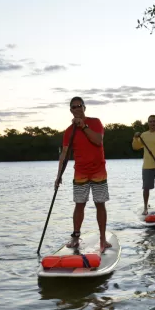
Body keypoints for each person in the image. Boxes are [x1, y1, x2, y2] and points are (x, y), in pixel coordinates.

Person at [54, 96, 111, 253]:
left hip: (98, 170)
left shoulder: (95, 122)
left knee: (100, 203)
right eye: (74, 106)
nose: (77, 108)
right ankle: (75, 236)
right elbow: (64, 154)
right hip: (80, 172)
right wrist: (58, 176)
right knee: (79, 204)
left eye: (80, 105)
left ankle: (102, 238)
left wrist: (83, 126)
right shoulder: (69, 131)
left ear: (84, 107)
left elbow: (98, 141)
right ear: (71, 111)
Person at [132, 115, 155, 215]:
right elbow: (136, 147)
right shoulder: (144, 135)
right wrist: (135, 138)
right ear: (148, 123)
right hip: (147, 166)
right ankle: (145, 208)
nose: (152, 123)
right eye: (150, 121)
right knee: (146, 188)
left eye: (154, 121)